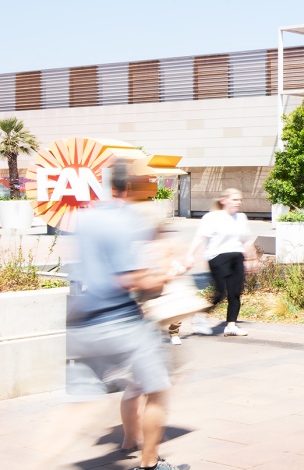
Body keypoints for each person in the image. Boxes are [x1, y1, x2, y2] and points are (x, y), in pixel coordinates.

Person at [69, 159, 180, 470]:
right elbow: (135, 278)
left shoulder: (87, 217)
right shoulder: (128, 219)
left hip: (87, 319)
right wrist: (166, 276)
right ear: (130, 186)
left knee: (133, 386)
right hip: (125, 319)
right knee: (156, 387)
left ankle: (130, 439)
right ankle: (150, 463)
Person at [183, 187, 256, 337]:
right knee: (220, 292)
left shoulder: (241, 217)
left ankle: (231, 326)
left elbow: (246, 240)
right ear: (224, 201)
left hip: (237, 256)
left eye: (240, 200)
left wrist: (253, 259)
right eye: (234, 199)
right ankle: (200, 316)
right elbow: (200, 237)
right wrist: (190, 255)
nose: (238, 202)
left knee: (235, 292)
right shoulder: (212, 217)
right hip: (217, 257)